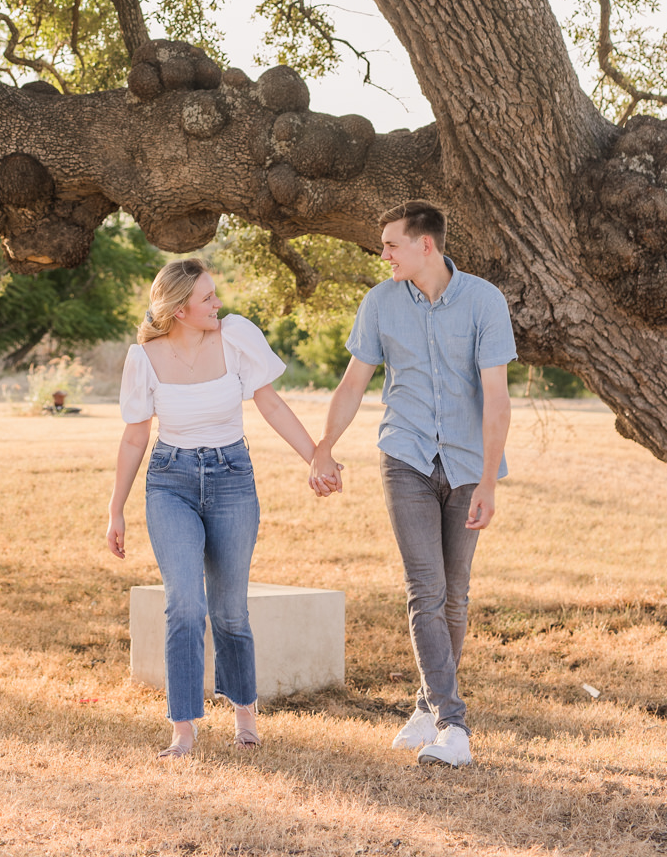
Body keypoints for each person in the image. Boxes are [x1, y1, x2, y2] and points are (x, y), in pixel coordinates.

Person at [309, 202, 515, 769]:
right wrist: (324, 446)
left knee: (455, 592)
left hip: (470, 463)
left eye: (391, 244)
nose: (383, 254)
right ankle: (454, 725)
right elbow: (353, 385)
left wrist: (489, 483)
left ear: (426, 245)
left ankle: (427, 708)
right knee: (426, 589)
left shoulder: (483, 302)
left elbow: (496, 400)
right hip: (405, 456)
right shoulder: (379, 303)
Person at [106, 258, 322, 759]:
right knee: (184, 604)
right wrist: (115, 509)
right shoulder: (144, 358)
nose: (217, 303)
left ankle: (243, 712)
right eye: (207, 298)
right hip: (170, 482)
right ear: (180, 308)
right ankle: (183, 730)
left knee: (230, 610)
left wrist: (316, 456)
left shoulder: (237, 336)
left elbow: (269, 403)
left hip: (231, 481)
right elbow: (135, 436)